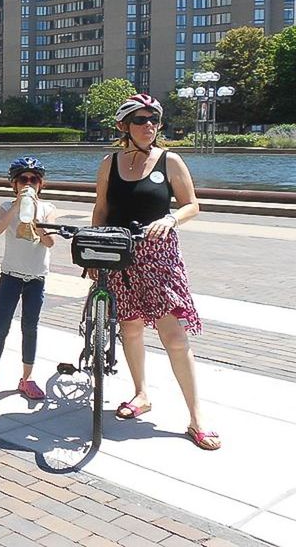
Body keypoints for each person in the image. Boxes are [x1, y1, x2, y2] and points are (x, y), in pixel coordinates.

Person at [92, 93, 219, 451]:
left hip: (160, 258)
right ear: (124, 126)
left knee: (175, 337)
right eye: (140, 120)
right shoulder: (109, 163)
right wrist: (93, 254)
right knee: (130, 329)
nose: (149, 126)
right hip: (121, 255)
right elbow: (101, 209)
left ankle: (196, 418)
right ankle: (141, 393)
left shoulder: (170, 160)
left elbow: (192, 204)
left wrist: (170, 217)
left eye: (154, 120)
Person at [0, 157, 56, 400]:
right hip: (10, 275)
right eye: (23, 179)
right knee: (0, 326)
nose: (28, 183)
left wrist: (38, 223)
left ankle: (27, 378)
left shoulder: (47, 208)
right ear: (14, 184)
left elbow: (50, 242)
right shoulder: (6, 207)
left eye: (33, 179)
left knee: (30, 327)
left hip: (36, 277)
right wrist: (18, 206)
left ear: (41, 183)